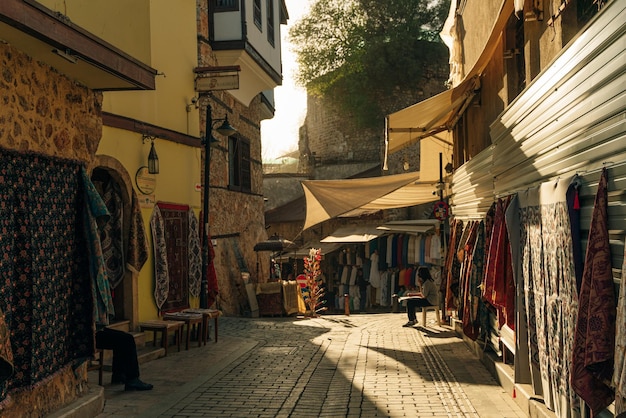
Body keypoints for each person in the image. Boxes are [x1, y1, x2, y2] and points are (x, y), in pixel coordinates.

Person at [96, 327, 154, 391]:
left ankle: (119, 375)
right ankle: (132, 379)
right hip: (90, 335)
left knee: (122, 337)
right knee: (127, 339)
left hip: (95, 331)